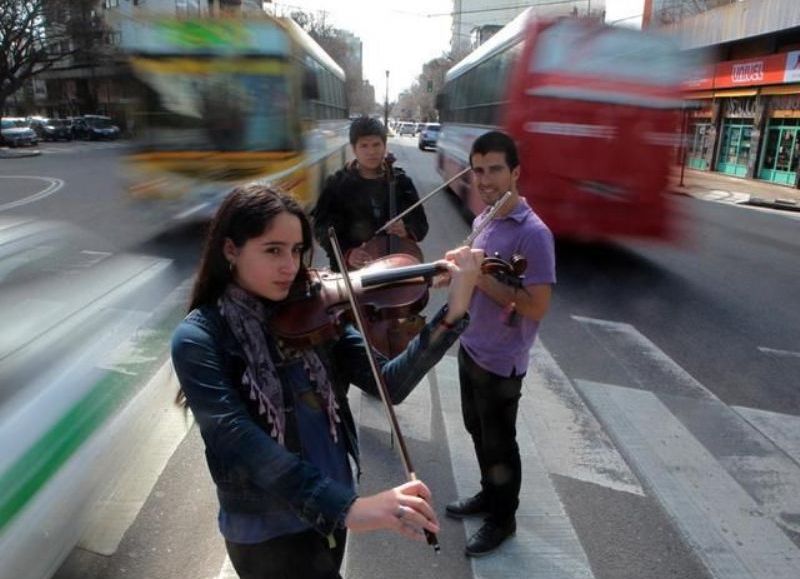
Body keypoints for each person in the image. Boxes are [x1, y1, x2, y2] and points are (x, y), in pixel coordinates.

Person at [171, 184, 483, 579]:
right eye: (273, 250)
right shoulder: (200, 338)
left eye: (298, 250)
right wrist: (349, 508)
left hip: (329, 513)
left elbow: (389, 384)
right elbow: (236, 440)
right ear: (231, 249)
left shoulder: (316, 309)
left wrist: (453, 313)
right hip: (269, 532)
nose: (291, 266)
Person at [444, 131, 556, 557]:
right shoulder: (485, 217)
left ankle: (503, 518)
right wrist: (454, 265)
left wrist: (481, 279)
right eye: (478, 170)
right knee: (477, 430)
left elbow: (537, 306)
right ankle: (488, 495)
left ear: (515, 173)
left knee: (500, 443)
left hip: (502, 359)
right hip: (472, 345)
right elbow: (473, 260)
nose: (485, 179)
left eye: (495, 170)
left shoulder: (534, 234)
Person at [311, 116, 428, 271]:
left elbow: (422, 225)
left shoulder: (401, 182)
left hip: (395, 267)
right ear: (354, 149)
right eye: (364, 146)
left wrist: (406, 230)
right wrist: (348, 253)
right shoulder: (336, 185)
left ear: (384, 146)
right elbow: (321, 229)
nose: (371, 151)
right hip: (350, 271)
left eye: (376, 144)